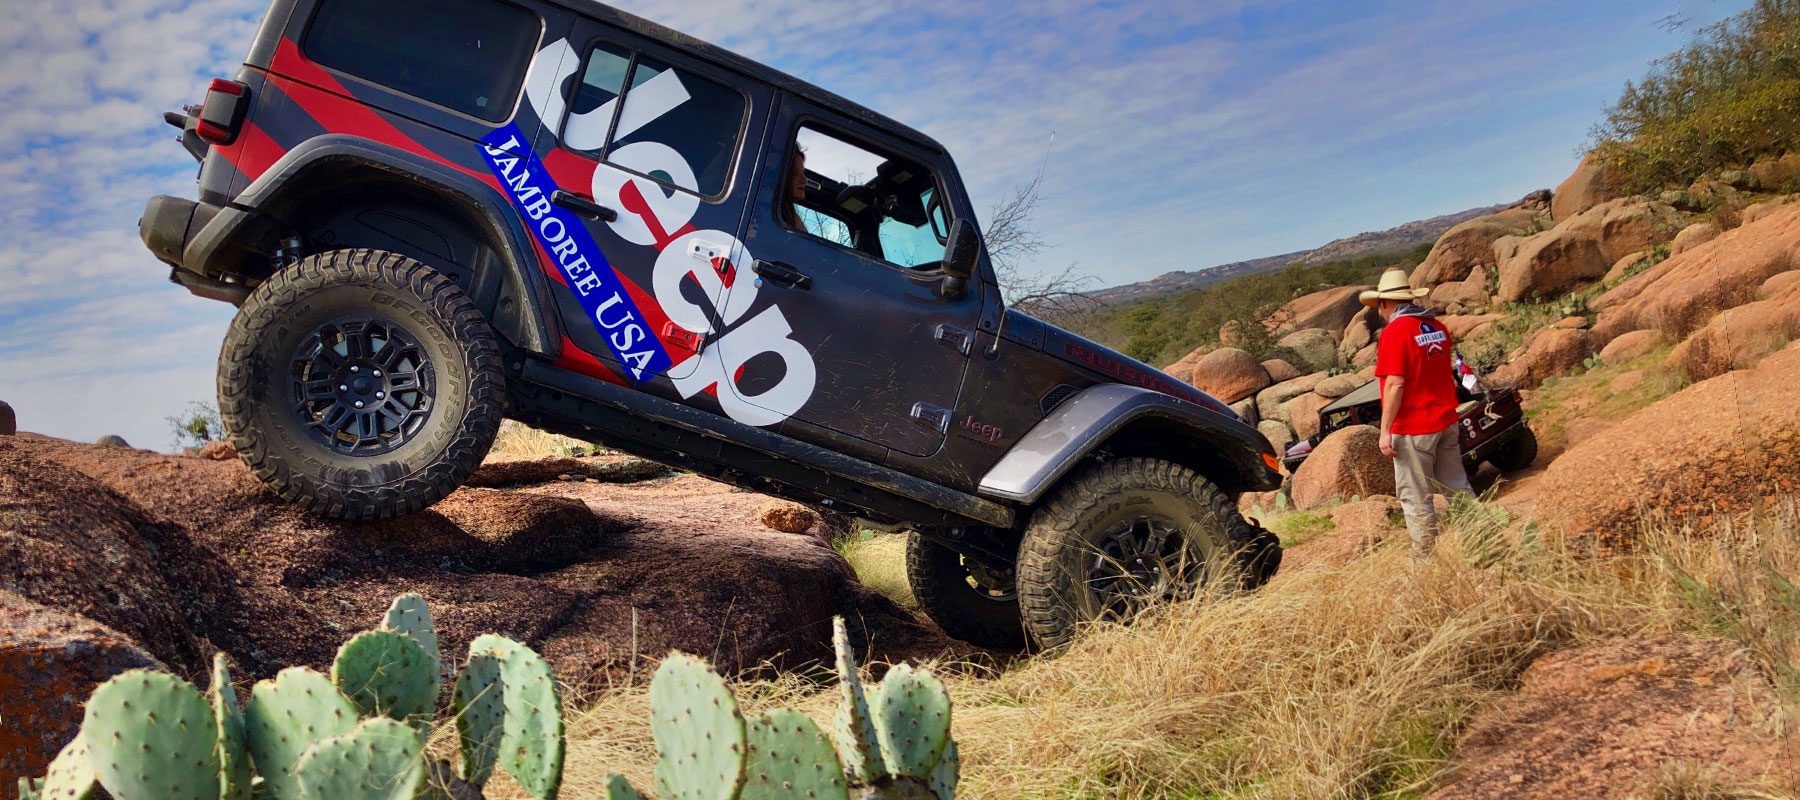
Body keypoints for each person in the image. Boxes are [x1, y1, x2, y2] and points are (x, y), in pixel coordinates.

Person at [1360, 268, 1475, 561]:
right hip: (1446, 420)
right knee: (1458, 489)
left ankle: (1424, 563)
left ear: (1386, 303)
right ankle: (1485, 540)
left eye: (1379, 307)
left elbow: (1396, 383)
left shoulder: (1395, 332)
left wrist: (1385, 430)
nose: (1379, 312)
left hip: (1414, 428)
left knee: (1415, 498)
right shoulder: (1436, 326)